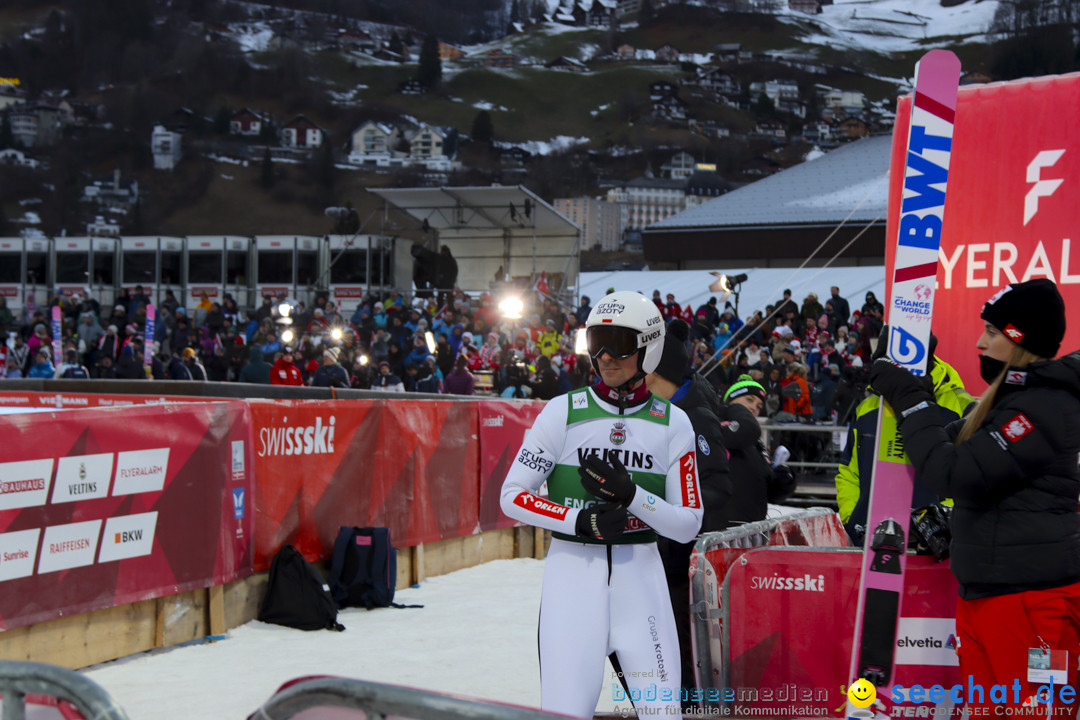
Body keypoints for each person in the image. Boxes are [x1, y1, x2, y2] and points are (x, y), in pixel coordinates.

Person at [868, 278, 1080, 716]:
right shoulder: (1009, 401)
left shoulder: (1043, 407)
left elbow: (955, 472)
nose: (980, 341)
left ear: (1020, 341)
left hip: (1032, 602)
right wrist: (914, 394)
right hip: (987, 596)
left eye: (993, 332)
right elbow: (953, 446)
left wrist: (911, 401)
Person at [500, 290, 703, 719]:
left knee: (663, 715)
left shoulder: (673, 423)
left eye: (621, 344)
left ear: (649, 351)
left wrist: (632, 496)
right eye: (596, 342)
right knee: (564, 713)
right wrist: (580, 520)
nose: (606, 356)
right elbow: (512, 496)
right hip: (571, 582)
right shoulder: (562, 413)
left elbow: (688, 525)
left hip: (642, 584)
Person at [645, 318, 732, 709]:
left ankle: (682, 707)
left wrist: (673, 506)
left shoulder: (695, 414)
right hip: (654, 552)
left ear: (656, 374)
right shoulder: (655, 409)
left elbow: (718, 484)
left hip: (682, 558)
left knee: (677, 644)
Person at [835, 331, 975, 545]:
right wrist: (854, 519)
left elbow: (965, 477)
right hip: (870, 544)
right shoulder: (868, 408)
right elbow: (849, 472)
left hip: (933, 549)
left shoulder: (959, 406)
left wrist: (942, 522)